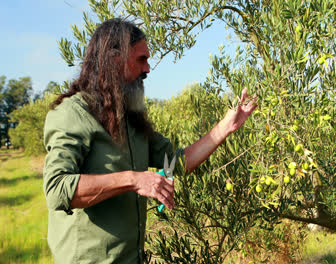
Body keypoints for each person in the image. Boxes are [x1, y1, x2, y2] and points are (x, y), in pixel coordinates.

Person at [43, 18, 257, 264]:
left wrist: (226, 126)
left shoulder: (130, 118)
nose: (147, 69)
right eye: (141, 59)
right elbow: (57, 190)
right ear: (114, 59)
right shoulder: (74, 113)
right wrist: (133, 179)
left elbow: (177, 162)